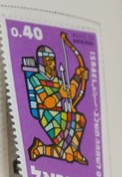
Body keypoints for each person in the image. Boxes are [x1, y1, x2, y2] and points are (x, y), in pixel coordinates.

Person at [23, 33, 88, 164]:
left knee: (80, 119)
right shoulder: (36, 79)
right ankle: (40, 150)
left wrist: (77, 77)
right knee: (67, 155)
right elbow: (47, 102)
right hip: (47, 116)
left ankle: (71, 150)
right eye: (49, 61)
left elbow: (70, 93)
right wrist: (60, 94)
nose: (52, 64)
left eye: (52, 60)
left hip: (60, 114)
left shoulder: (57, 80)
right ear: (42, 62)